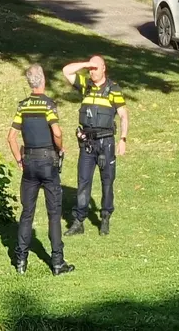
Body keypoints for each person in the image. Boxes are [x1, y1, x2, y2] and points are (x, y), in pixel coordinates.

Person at [6, 64, 75, 276]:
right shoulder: (48, 105)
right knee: (54, 214)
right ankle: (57, 262)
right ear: (43, 79)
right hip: (48, 162)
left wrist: (19, 159)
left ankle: (21, 261)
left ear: (29, 82)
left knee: (27, 213)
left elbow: (11, 137)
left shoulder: (23, 106)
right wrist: (61, 147)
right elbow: (57, 131)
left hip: (29, 164)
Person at [62, 55, 128, 236]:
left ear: (104, 68)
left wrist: (123, 138)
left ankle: (105, 218)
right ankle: (79, 221)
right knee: (83, 181)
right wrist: (85, 64)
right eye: (90, 69)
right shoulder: (86, 86)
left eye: (95, 68)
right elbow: (66, 71)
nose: (92, 72)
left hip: (105, 142)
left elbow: (123, 114)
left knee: (107, 181)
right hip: (87, 143)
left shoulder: (113, 89)